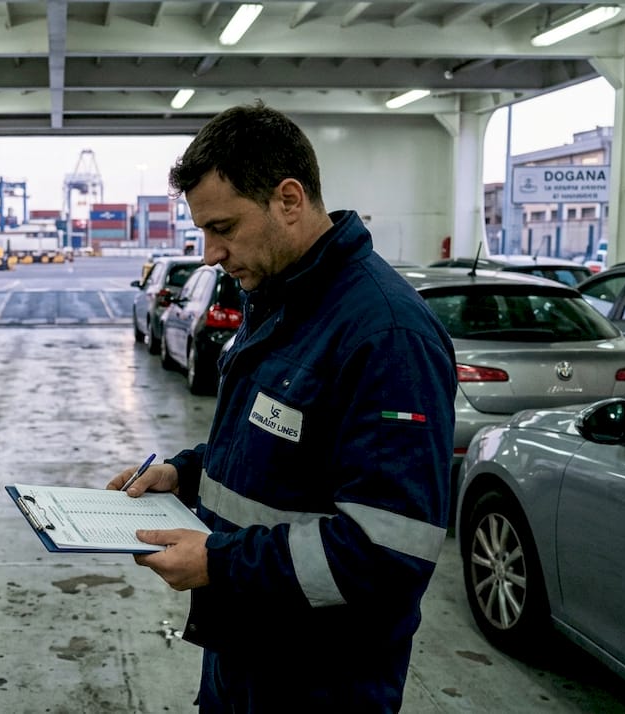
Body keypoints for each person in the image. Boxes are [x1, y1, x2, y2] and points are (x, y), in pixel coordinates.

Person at [106, 102, 456, 712]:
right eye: (203, 232)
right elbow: (276, 448)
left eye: (223, 227)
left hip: (321, 682)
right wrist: (185, 474)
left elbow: (387, 553)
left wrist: (219, 563)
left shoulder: (386, 335)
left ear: (288, 200)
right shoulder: (280, 299)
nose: (210, 253)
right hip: (246, 658)